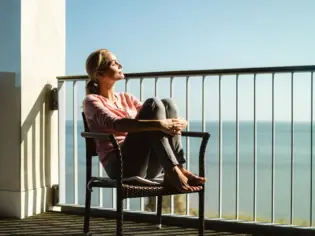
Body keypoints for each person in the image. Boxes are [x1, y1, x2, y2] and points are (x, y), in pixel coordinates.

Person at [83, 49, 206, 192]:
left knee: (167, 103)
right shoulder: (91, 101)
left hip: (149, 165)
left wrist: (181, 122)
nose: (120, 65)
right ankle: (173, 170)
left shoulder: (126, 97)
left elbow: (156, 114)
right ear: (100, 74)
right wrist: (160, 124)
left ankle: (177, 168)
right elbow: (116, 124)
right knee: (153, 103)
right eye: (114, 63)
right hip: (121, 165)